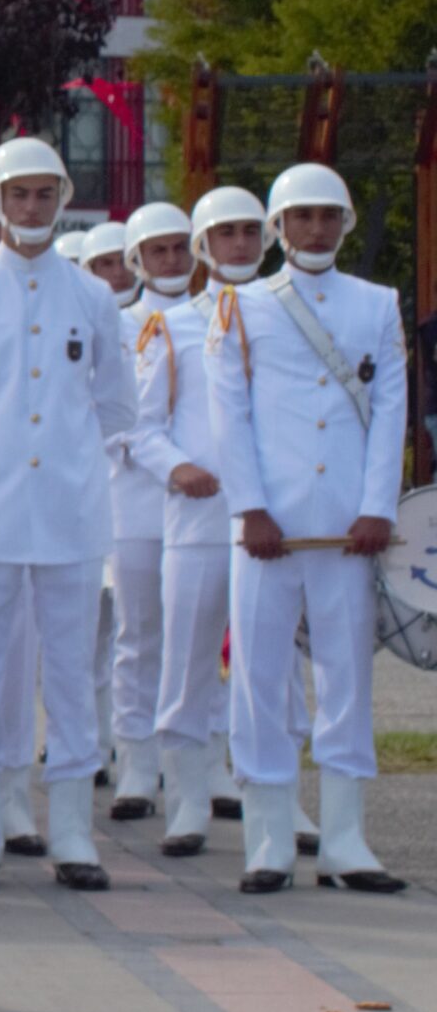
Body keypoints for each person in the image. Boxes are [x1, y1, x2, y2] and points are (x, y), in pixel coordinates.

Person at [0, 139, 132, 895]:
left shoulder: (95, 297)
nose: (33, 208)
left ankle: (74, 831)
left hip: (71, 515)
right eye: (20, 195)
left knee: (72, 674)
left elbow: (116, 406)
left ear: (62, 197)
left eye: (46, 194)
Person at [207, 163, 408, 896]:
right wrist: (250, 507)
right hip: (269, 527)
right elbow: (229, 415)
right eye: (302, 217)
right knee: (259, 682)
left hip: (348, 526)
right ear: (278, 228)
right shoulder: (242, 306)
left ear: (346, 223)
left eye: (328, 215)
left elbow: (391, 412)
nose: (316, 228)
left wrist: (378, 506)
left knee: (347, 679)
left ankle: (348, 842)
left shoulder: (377, 304)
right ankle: (268, 842)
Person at [130, 190, 253, 858]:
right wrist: (176, 468)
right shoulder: (173, 327)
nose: (239, 245)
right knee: (185, 660)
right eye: (225, 233)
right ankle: (186, 802)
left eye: (250, 232)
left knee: (271, 668)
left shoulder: (281, 316)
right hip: (198, 515)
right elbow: (141, 426)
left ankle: (278, 800)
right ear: (205, 245)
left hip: (271, 521)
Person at [102, 205, 191, 822]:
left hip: (204, 504)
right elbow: (110, 419)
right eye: (157, 251)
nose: (171, 261)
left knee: (202, 638)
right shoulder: (115, 325)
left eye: (180, 248)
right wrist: (170, 465)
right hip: (135, 499)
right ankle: (135, 760)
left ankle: (205, 760)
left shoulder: (218, 316)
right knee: (138, 635)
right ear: (137, 259)